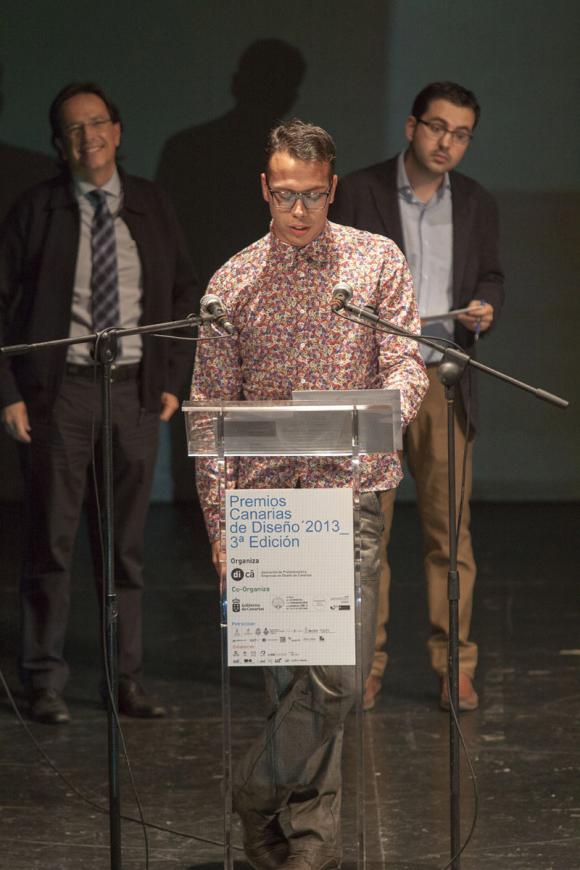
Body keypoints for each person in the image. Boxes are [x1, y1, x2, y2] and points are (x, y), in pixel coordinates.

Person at [191, 119, 428, 870]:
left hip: (347, 497)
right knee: (288, 684)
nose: (299, 210)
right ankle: (303, 848)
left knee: (338, 678)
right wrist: (220, 529)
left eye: (314, 195)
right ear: (265, 188)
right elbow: (210, 416)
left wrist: (382, 410)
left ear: (334, 187)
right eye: (286, 194)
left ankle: (250, 792)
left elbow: (407, 363)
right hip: (265, 506)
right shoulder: (232, 283)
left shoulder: (373, 261)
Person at [0, 82, 198, 724]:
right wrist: (9, 392)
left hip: (135, 394)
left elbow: (182, 295)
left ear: (118, 130)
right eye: (74, 129)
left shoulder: (151, 204)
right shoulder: (38, 210)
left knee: (125, 549)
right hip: (61, 395)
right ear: (60, 144)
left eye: (98, 123)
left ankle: (125, 679)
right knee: (52, 542)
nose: (89, 137)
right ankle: (43, 680)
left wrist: (172, 379)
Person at [330, 81, 505, 712]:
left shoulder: (476, 201)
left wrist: (485, 306)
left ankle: (455, 665)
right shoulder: (360, 191)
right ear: (411, 127)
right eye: (437, 127)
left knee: (448, 533)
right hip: (375, 379)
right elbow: (331, 274)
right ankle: (363, 666)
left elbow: (491, 275)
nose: (446, 142)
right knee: (366, 534)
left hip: (442, 379)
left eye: (461, 134)